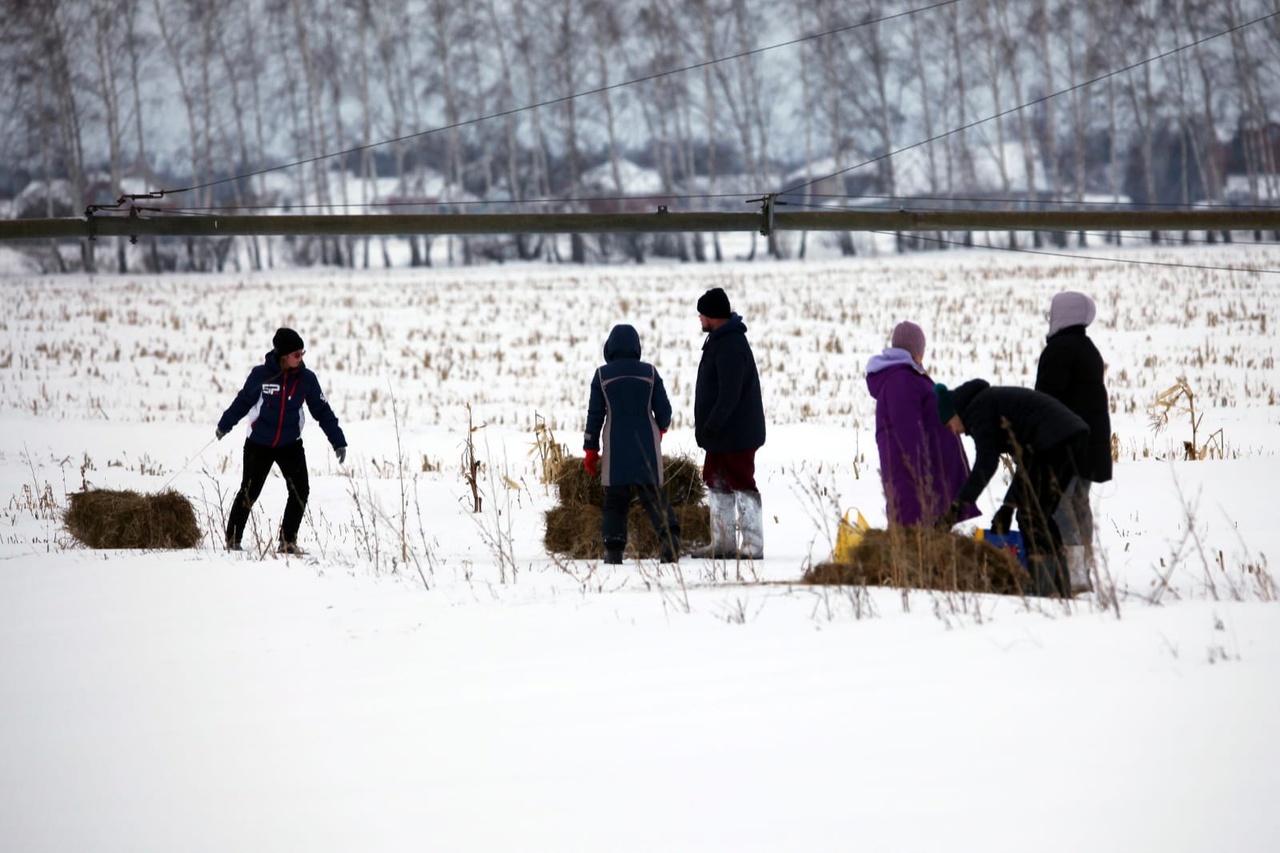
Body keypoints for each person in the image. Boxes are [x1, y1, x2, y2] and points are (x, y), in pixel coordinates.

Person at [935, 379, 1089, 597]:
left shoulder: (977, 410)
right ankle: (1059, 588)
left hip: (1056, 442)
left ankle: (1043, 590)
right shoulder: (989, 404)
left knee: (1031, 516)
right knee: (1041, 514)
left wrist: (957, 507)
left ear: (954, 413)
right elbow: (1027, 465)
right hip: (1071, 438)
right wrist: (1008, 506)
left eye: (949, 425)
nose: (954, 432)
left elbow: (987, 464)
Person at [217, 327, 347, 554]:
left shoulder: (307, 379)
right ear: (283, 355)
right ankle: (232, 540)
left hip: (290, 444)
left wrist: (338, 441)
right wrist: (225, 424)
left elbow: (322, 411)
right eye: (296, 354)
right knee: (250, 491)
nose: (301, 358)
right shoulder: (261, 375)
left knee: (300, 491)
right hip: (259, 443)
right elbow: (243, 401)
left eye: (302, 353)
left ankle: (287, 542)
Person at [582, 324, 681, 564]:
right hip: (646, 441)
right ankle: (670, 540)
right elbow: (665, 411)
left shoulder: (602, 375)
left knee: (616, 500)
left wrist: (591, 450)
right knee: (653, 495)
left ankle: (614, 551)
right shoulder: (650, 372)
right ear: (636, 347)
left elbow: (595, 416)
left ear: (610, 348)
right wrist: (661, 428)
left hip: (616, 445)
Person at [1035, 291, 1112, 593]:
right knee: (1079, 506)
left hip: (1066, 447)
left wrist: (1038, 442)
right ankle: (1084, 572)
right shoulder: (1087, 348)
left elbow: (1046, 401)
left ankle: (1075, 576)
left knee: (1062, 508)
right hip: (1088, 446)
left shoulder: (1059, 351)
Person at [865, 320, 978, 527]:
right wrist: (921, 472)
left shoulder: (907, 375)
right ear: (916, 350)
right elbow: (908, 430)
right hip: (915, 478)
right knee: (915, 535)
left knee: (926, 537)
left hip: (924, 475)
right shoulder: (901, 378)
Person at [692, 287, 766, 559]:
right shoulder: (719, 340)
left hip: (737, 433)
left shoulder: (731, 345)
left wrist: (712, 425)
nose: (699, 318)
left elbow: (730, 393)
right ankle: (722, 544)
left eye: (702, 313)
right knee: (716, 481)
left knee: (741, 482)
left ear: (714, 315)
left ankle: (753, 546)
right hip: (722, 434)